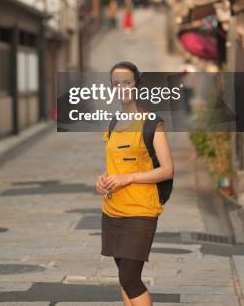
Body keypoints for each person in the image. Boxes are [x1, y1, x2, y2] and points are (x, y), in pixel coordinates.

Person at [95, 62, 174, 306]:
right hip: (112, 210)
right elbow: (116, 166)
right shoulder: (114, 122)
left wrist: (128, 178)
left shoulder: (152, 123)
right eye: (116, 84)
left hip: (140, 211)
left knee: (130, 278)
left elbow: (167, 170)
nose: (121, 88)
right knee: (123, 277)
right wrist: (103, 180)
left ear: (137, 85)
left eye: (127, 82)